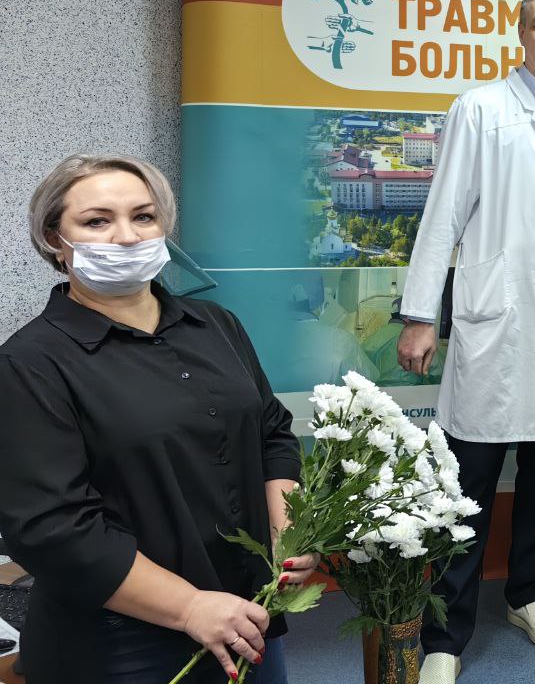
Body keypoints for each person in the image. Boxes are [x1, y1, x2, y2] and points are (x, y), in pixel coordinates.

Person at [0, 155, 317, 684]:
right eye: (97, 221)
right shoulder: (30, 363)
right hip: (121, 642)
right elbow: (50, 526)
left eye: (143, 216)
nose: (127, 236)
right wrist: (189, 607)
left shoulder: (216, 324)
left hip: (246, 614)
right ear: (55, 239)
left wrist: (288, 532)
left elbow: (272, 435)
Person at [397, 0, 535, 684]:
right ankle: (444, 633)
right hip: (492, 318)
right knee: (469, 484)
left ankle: (527, 594)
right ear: (520, 34)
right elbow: (442, 214)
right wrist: (419, 315)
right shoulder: (480, 109)